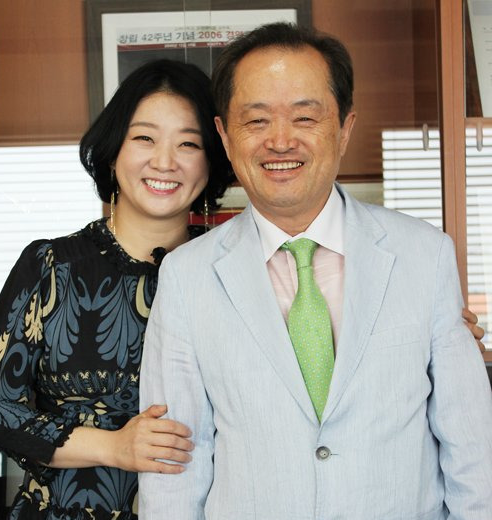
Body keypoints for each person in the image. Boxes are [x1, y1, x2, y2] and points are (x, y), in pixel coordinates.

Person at [139, 23, 492, 519]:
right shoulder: (186, 277)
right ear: (224, 135)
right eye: (256, 120)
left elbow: (472, 448)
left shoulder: (425, 256)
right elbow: (175, 462)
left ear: (345, 128)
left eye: (305, 117)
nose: (281, 141)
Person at [0, 59, 233, 519]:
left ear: (211, 161)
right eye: (145, 138)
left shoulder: (235, 272)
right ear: (113, 151)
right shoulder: (51, 267)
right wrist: (114, 446)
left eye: (188, 143)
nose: (165, 161)